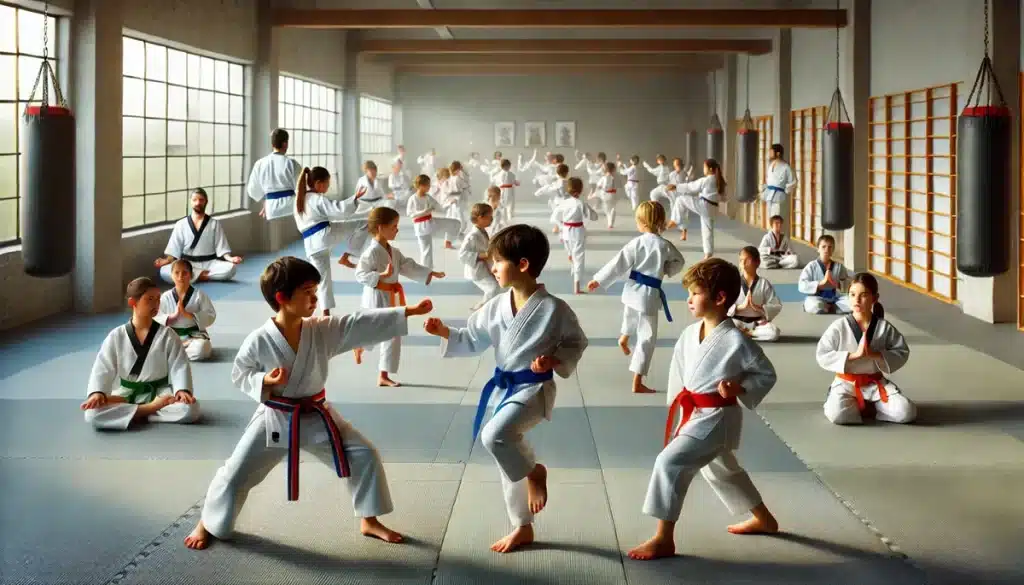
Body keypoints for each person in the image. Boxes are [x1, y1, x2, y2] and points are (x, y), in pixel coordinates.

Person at [183, 256, 434, 551]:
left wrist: (406, 312)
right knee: (236, 471)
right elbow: (240, 373)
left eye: (316, 291)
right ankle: (208, 522)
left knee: (364, 455)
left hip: (317, 416)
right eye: (308, 292)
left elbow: (356, 323)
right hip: (276, 417)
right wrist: (265, 381)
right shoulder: (259, 339)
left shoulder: (319, 330)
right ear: (282, 298)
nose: (315, 298)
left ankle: (369, 520)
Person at [423, 225, 589, 553]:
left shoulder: (555, 310)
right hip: (504, 389)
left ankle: (535, 472)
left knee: (494, 436)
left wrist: (554, 360)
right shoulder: (497, 305)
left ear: (523, 265)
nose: (491, 267)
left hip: (533, 390)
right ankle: (522, 525)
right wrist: (445, 332)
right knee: (504, 457)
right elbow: (472, 339)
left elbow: (577, 342)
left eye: (498, 262)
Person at [628, 258, 779, 561]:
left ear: (719, 298)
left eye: (695, 293)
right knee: (723, 470)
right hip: (695, 414)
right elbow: (679, 378)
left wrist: (739, 388)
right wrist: (679, 413)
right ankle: (764, 518)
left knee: (669, 463)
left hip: (718, 416)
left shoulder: (736, 340)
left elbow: (766, 374)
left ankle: (663, 537)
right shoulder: (689, 334)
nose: (689, 300)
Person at [588, 201, 685, 394]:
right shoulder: (665, 245)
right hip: (648, 296)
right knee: (647, 338)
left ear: (643, 223)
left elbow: (618, 264)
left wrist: (598, 279)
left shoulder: (636, 243)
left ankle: (624, 337)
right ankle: (637, 382)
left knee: (630, 318)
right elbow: (679, 262)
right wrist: (666, 270)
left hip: (631, 291)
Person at [82, 277, 200, 430]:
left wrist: (182, 390)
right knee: (91, 414)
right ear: (132, 302)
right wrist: (97, 393)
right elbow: (102, 368)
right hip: (125, 396)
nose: (156, 304)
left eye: (158, 299)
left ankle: (129, 414)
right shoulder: (116, 335)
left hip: (159, 394)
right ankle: (148, 410)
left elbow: (180, 366)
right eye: (149, 299)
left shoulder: (168, 335)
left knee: (191, 409)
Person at [354, 207, 445, 387]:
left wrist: (428, 272)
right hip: (376, 297)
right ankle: (360, 344)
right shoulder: (371, 252)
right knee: (375, 331)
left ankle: (383, 374)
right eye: (394, 226)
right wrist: (380, 275)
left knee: (393, 334)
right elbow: (360, 274)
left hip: (392, 295)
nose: (397, 229)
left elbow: (406, 265)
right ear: (381, 228)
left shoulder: (393, 251)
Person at [816, 272, 917, 424]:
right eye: (852, 294)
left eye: (863, 295)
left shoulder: (883, 327)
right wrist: (853, 356)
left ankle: (871, 406)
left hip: (874, 384)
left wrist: (876, 355)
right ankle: (856, 404)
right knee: (837, 415)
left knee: (907, 412)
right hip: (846, 384)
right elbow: (822, 353)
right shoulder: (839, 327)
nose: (857, 300)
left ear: (874, 299)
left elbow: (901, 351)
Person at [293, 166, 368, 316]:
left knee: (322, 278)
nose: (328, 187)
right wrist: (354, 198)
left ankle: (325, 312)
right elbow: (338, 210)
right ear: (319, 183)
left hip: (311, 245)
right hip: (324, 235)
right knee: (363, 224)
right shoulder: (317, 199)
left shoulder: (299, 199)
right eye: (328, 183)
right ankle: (348, 256)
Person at [154, 188, 243, 284]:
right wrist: (166, 261)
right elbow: (174, 248)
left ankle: (192, 276)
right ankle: (201, 275)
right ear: (190, 202)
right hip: (186, 264)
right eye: (195, 200)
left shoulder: (214, 223)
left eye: (201, 200)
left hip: (210, 263)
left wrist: (230, 258)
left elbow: (222, 247)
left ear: (206, 202)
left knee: (231, 269)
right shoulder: (181, 224)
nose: (198, 203)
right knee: (164, 271)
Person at [157, 259, 217, 361]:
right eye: (176, 273)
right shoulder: (165, 297)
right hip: (172, 336)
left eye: (184, 273)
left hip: (193, 336)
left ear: (191, 275)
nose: (180, 277)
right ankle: (178, 353)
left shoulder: (199, 295)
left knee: (202, 349)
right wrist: (171, 317)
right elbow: (156, 317)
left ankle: (174, 354)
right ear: (171, 275)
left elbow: (211, 315)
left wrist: (191, 315)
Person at [667, 158, 727, 259]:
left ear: (710, 169)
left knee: (681, 199)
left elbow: (691, 187)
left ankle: (675, 220)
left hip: (704, 205)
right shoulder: (720, 181)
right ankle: (708, 253)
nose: (703, 169)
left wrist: (676, 187)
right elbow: (724, 197)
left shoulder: (707, 180)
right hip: (713, 208)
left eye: (705, 167)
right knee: (707, 230)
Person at [550, 177, 599, 295]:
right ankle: (576, 287)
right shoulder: (581, 203)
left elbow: (553, 218)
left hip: (565, 231)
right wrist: (592, 209)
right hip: (577, 232)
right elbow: (594, 217)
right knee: (579, 258)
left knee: (573, 254)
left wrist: (561, 226)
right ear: (581, 190)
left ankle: (570, 255)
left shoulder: (563, 203)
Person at [406, 174, 460, 270]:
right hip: (421, 227)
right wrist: (424, 212)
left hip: (431, 223)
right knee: (426, 250)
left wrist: (449, 203)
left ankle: (449, 241)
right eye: (427, 185)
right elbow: (410, 214)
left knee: (454, 223)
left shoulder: (428, 197)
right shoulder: (413, 199)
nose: (429, 187)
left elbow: (439, 207)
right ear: (421, 186)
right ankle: (426, 271)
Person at [246, 128, 302, 220]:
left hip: (271, 208)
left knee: (274, 233)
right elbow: (303, 187)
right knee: (293, 234)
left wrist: (266, 200)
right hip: (290, 207)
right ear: (285, 143)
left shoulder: (260, 164)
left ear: (272, 144)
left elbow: (252, 190)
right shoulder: (291, 163)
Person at [728, 247, 782, 342]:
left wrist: (759, 308)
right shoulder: (733, 282)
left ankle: (749, 333)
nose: (743, 263)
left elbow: (776, 305)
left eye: (747, 260)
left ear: (757, 262)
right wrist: (740, 307)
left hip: (757, 323)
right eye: (741, 260)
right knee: (725, 327)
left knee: (774, 332)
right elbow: (723, 306)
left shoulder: (764, 283)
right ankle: (744, 333)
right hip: (737, 321)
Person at [460, 202, 502, 311]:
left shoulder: (482, 232)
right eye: (489, 217)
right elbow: (462, 255)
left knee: (495, 287)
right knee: (493, 288)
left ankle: (485, 307)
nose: (492, 219)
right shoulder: (472, 236)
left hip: (485, 268)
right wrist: (481, 255)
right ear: (480, 218)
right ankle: (482, 309)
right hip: (477, 270)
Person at [798, 234, 851, 314]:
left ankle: (832, 307)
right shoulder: (811, 266)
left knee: (853, 302)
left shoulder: (839, 266)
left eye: (830, 247)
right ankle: (830, 308)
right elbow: (801, 285)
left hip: (835, 298)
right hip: (817, 298)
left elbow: (846, 282)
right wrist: (820, 284)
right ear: (818, 249)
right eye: (823, 247)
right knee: (814, 304)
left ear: (833, 249)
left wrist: (840, 285)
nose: (827, 249)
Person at [761, 144, 797, 218]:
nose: (770, 154)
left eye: (771, 152)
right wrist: (764, 188)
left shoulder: (786, 167)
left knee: (777, 219)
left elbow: (794, 182)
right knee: (770, 219)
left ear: (778, 153)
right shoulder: (771, 165)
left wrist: (785, 190)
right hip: (769, 195)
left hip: (778, 196)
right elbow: (768, 180)